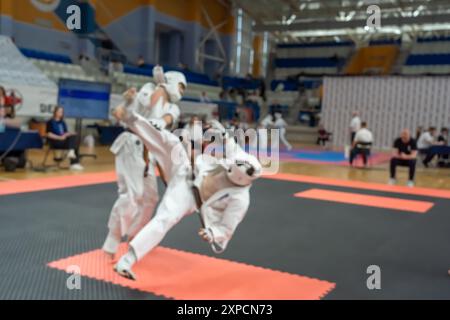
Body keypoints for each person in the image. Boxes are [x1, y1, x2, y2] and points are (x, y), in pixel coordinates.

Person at [111, 102, 262, 280]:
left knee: (165, 219)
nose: (228, 164)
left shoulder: (240, 199)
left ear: (238, 180)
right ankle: (130, 118)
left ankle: (126, 261)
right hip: (186, 170)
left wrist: (213, 233)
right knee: (171, 141)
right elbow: (229, 142)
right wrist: (218, 129)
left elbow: (227, 227)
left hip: (189, 196)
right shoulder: (240, 158)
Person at [102, 68, 187, 259]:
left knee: (150, 198)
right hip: (132, 144)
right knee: (132, 196)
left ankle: (135, 235)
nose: (181, 92)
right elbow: (144, 106)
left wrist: (171, 180)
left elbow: (162, 122)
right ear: (171, 81)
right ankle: (112, 242)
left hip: (149, 151)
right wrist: (158, 86)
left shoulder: (174, 108)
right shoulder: (149, 89)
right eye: (180, 86)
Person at [46, 106, 84, 171]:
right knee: (73, 144)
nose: (61, 113)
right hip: (55, 141)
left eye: (62, 112)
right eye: (59, 111)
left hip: (64, 141)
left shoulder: (62, 122)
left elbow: (65, 133)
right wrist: (59, 137)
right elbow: (48, 134)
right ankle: (74, 162)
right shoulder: (50, 122)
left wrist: (69, 134)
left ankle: (73, 161)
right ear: (55, 112)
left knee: (73, 139)